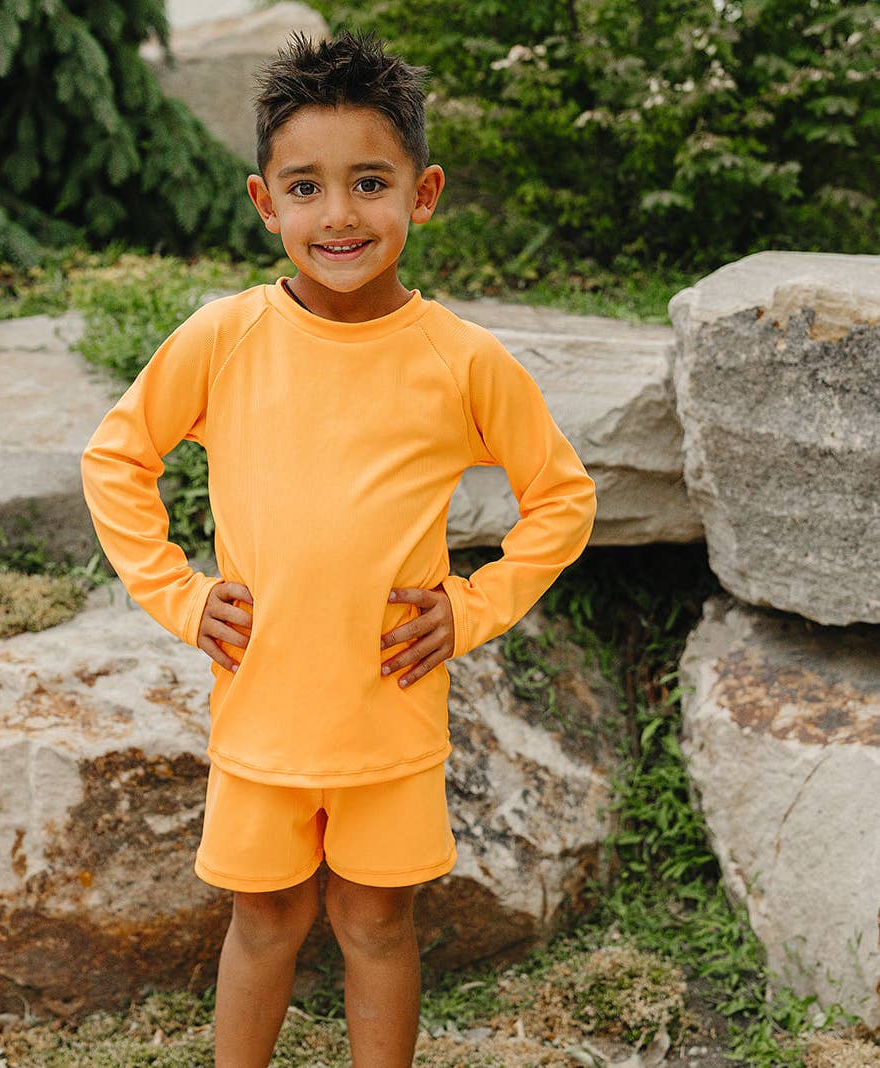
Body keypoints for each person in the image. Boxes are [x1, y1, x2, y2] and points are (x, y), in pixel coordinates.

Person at [80, 28, 597, 1068]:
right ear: (264, 203)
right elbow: (116, 459)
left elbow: (559, 498)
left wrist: (473, 606)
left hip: (387, 713)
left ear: (422, 192)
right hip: (262, 710)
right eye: (305, 188)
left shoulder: (460, 360)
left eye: (369, 182)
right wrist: (182, 596)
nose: (339, 216)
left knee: (374, 921)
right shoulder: (223, 338)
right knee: (264, 918)